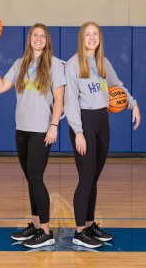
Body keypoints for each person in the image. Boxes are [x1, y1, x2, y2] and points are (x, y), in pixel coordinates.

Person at [0, 23, 66, 248]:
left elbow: (59, 99)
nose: (38, 38)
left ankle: (46, 232)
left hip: (42, 130)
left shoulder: (54, 64)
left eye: (42, 36)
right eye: (34, 35)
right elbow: (1, 87)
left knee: (36, 178)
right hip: (22, 129)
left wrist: (54, 125)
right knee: (31, 179)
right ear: (29, 39)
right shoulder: (19, 64)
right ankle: (35, 224)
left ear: (47, 40)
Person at [64, 21, 141, 248]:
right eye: (87, 34)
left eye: (95, 34)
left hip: (102, 123)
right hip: (85, 124)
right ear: (81, 38)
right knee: (86, 178)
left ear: (99, 38)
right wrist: (78, 132)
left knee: (94, 179)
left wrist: (132, 104)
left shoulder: (103, 62)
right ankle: (79, 232)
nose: (91, 38)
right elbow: (70, 102)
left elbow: (117, 86)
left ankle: (89, 224)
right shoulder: (72, 64)